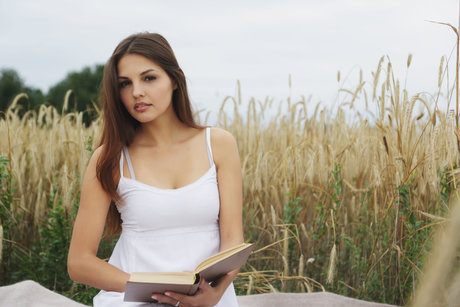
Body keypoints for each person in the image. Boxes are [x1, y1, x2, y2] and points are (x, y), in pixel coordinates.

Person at [67, 32, 244, 307]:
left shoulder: (218, 144)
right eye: (125, 83)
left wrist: (215, 294)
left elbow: (233, 242)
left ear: (174, 80)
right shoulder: (110, 158)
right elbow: (79, 262)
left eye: (149, 78)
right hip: (135, 302)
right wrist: (155, 289)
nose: (136, 91)